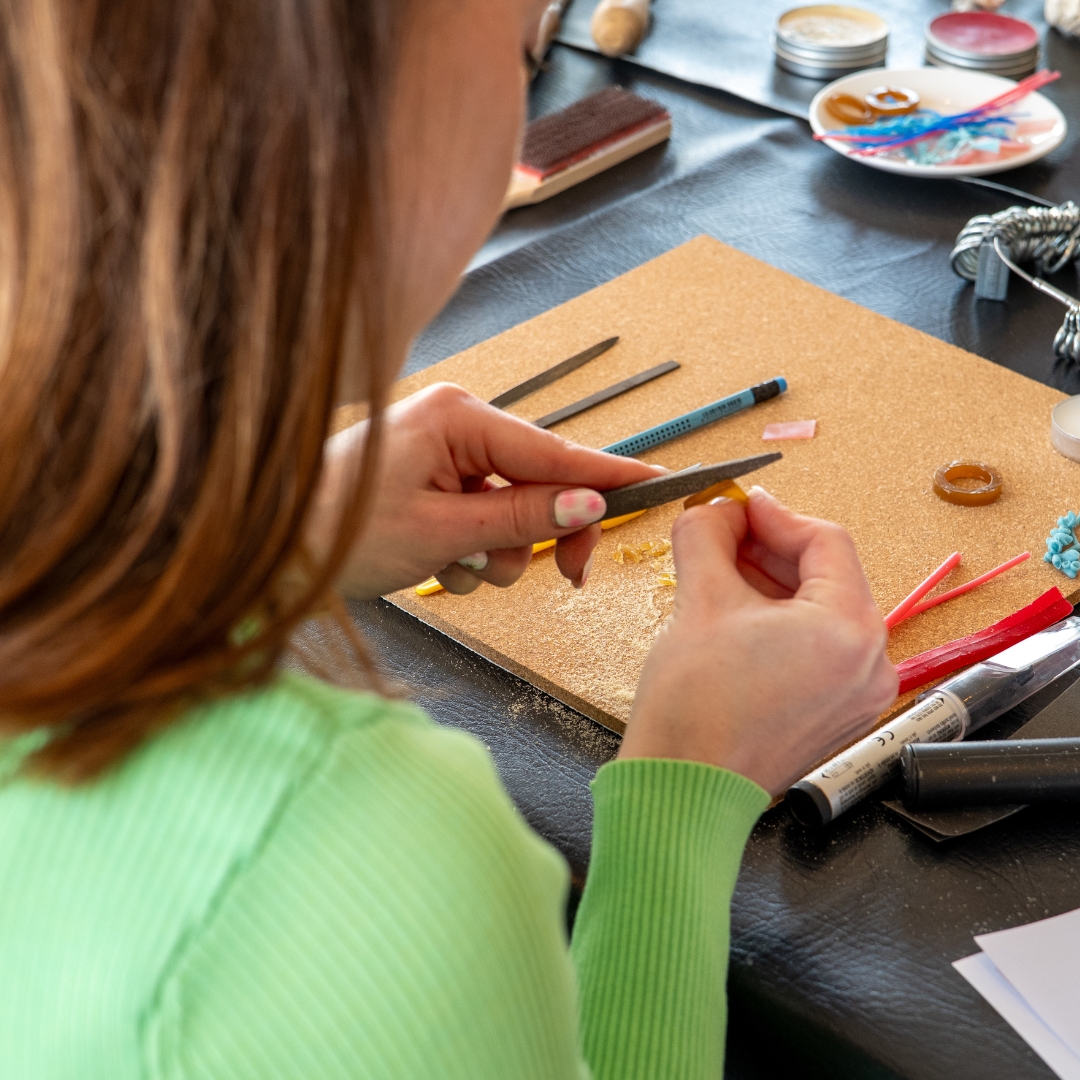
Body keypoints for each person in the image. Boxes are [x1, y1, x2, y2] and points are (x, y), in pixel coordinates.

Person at [0, 0, 897, 1076]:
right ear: (331, 99)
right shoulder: (353, 866)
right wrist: (690, 786)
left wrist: (262, 531)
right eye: (526, 49)